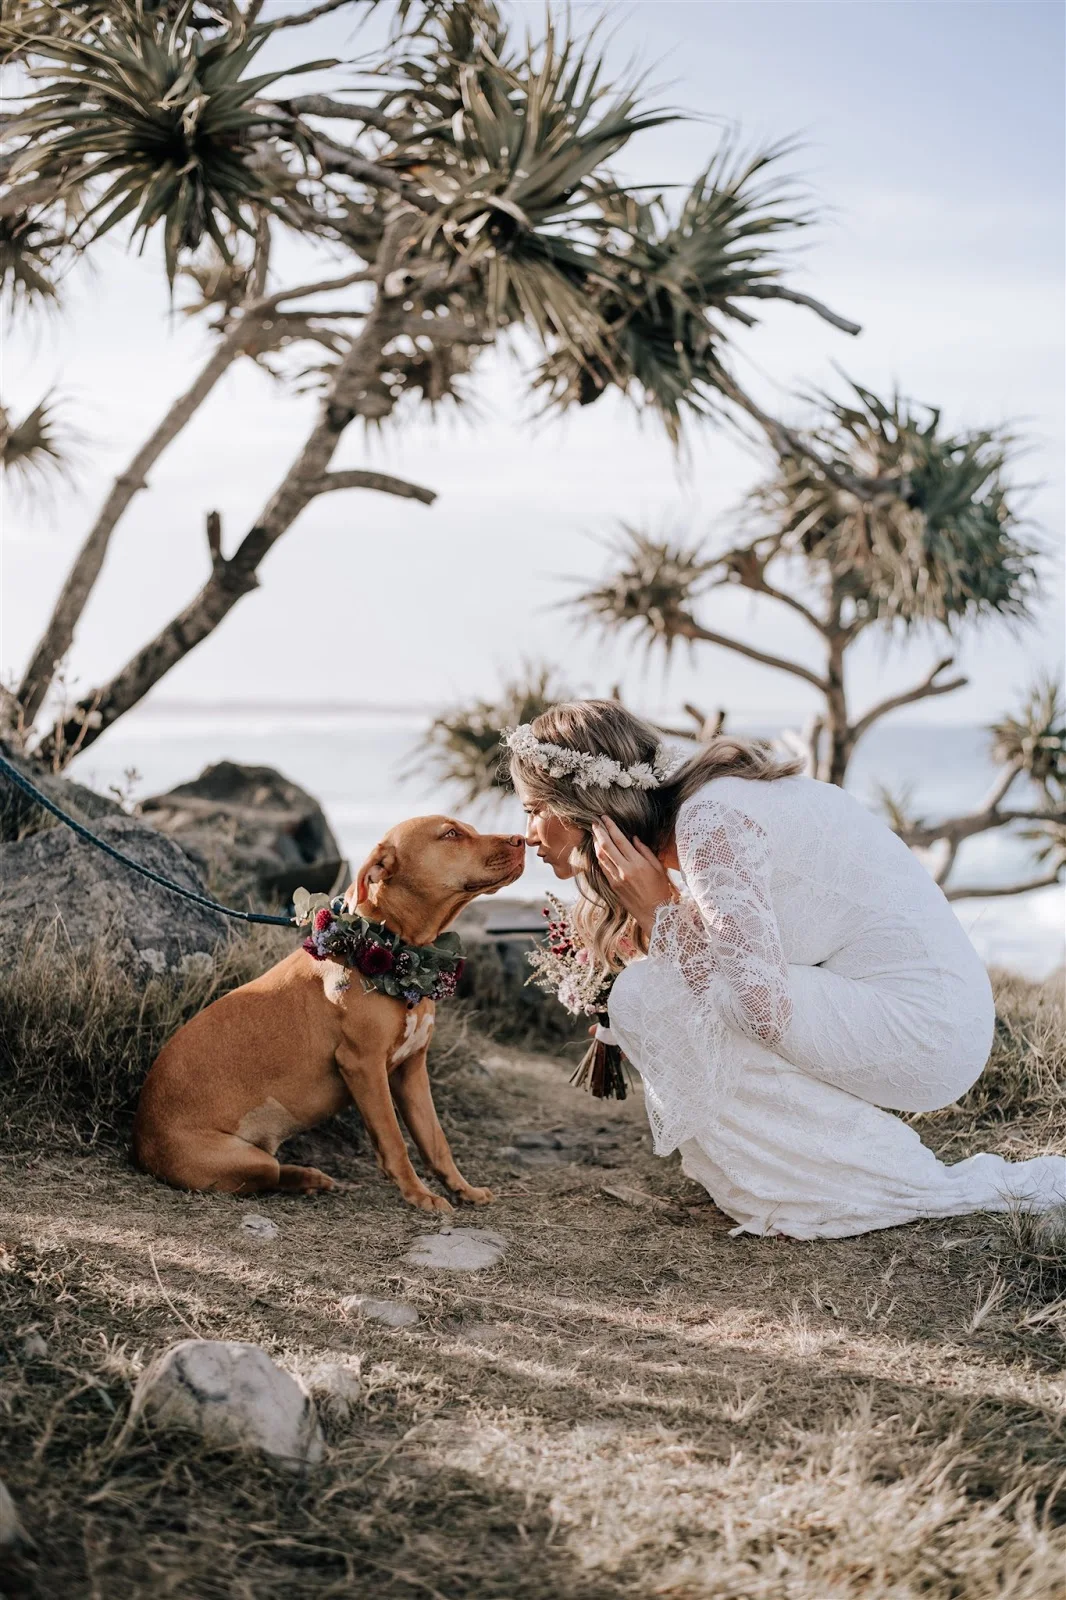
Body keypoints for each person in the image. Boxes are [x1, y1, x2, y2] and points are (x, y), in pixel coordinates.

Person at [507, 701, 1065, 1240]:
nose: (527, 834)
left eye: (534, 809)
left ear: (580, 800)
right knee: (657, 991)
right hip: (919, 1012)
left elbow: (761, 1011)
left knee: (647, 995)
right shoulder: (704, 806)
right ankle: (781, 1173)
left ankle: (823, 1186)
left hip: (926, 1031)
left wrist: (660, 915)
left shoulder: (710, 820)